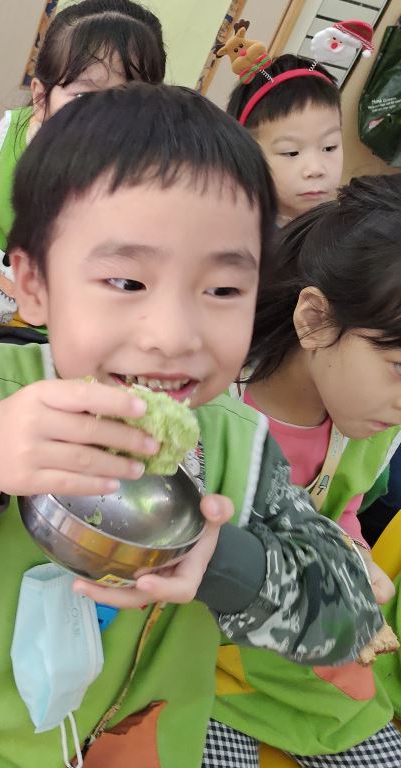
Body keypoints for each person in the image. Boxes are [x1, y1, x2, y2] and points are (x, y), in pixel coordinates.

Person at [0, 83, 383, 768]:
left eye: (223, 289)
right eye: (127, 283)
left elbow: (348, 622)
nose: (173, 336)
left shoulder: (239, 448)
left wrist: (231, 564)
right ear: (34, 285)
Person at [207, 175, 401, 766]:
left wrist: (355, 560)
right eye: (398, 366)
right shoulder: (212, 408)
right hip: (196, 650)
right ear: (315, 319)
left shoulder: (366, 422)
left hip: (301, 668)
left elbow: (341, 511)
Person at [0, 0, 165, 350]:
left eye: (130, 100)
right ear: (41, 99)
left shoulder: (155, 171)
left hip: (95, 332)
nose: (107, 118)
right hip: (8, 310)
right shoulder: (12, 141)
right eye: (83, 96)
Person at [226, 53, 343, 227]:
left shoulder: (346, 226)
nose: (316, 169)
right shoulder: (238, 231)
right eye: (291, 152)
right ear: (245, 154)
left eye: (329, 147)